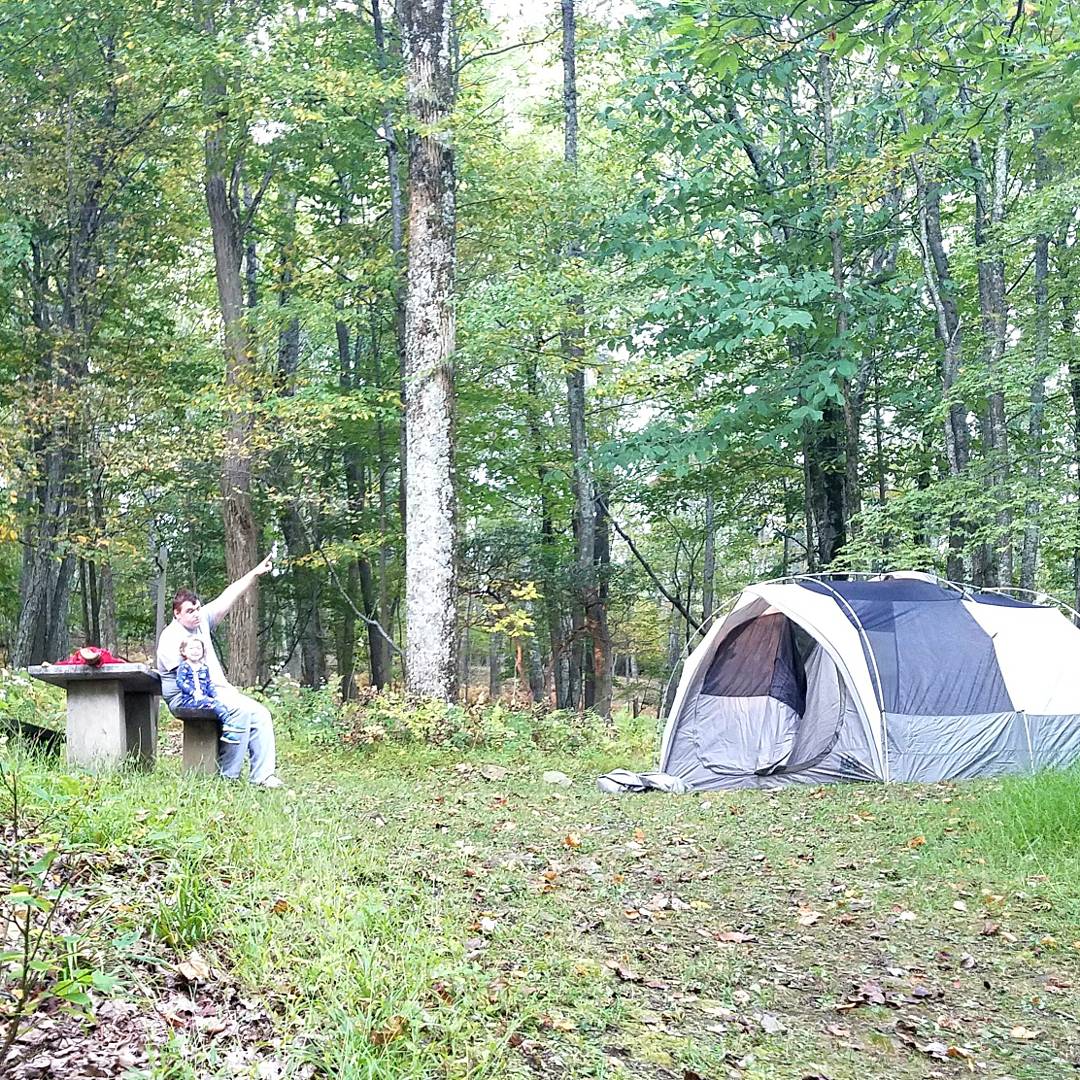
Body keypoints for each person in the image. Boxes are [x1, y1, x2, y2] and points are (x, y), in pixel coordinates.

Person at [156, 554, 283, 788]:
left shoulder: (202, 620)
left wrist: (254, 572)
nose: (196, 614)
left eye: (197, 609)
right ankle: (228, 776)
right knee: (241, 712)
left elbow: (229, 595)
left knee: (261, 714)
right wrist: (217, 696)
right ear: (177, 613)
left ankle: (263, 776)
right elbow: (189, 682)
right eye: (190, 611)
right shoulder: (171, 637)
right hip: (188, 696)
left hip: (217, 689)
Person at [175, 636, 242, 744]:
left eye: (198, 648)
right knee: (215, 706)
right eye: (191, 648)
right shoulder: (184, 667)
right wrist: (193, 692)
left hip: (204, 699)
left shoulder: (204, 667)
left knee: (220, 704)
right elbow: (180, 682)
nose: (195, 651)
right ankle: (229, 726)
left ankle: (228, 730)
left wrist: (214, 695)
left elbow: (209, 683)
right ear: (184, 651)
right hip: (191, 701)